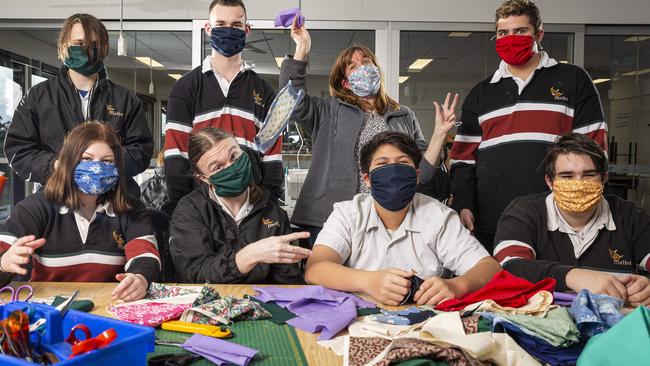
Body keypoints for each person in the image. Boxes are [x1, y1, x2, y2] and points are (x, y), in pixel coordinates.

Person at [281, 17, 458, 244]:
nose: (362, 67)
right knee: (326, 277)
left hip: (386, 216)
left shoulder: (404, 115)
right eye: (353, 66)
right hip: (328, 217)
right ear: (345, 82)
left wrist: (440, 133)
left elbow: (422, 172)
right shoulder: (328, 110)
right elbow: (290, 98)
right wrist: (302, 47)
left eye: (366, 61)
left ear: (376, 69)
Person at [450, 0, 608, 252]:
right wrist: (463, 204)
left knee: (553, 287)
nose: (510, 38)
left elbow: (594, 151)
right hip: (492, 217)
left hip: (556, 217)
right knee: (496, 289)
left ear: (539, 34)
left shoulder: (573, 79)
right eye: (503, 33)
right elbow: (462, 161)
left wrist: (582, 204)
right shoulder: (481, 93)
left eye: (520, 31)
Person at [305, 131, 501, 306]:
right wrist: (368, 281)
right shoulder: (348, 214)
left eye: (402, 163)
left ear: (416, 176)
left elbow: (490, 268)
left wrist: (457, 286)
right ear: (368, 180)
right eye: (382, 164)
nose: (393, 172)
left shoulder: (439, 217)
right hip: (354, 320)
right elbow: (315, 270)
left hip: (424, 325)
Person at [0, 122, 160, 302]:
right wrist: (4, 263)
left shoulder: (133, 210)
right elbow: (3, 252)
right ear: (67, 162)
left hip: (109, 307)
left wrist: (140, 278)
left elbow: (145, 257)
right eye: (87, 159)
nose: (96, 168)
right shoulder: (34, 208)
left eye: (107, 161)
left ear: (117, 168)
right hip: (47, 311)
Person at [494, 133, 650, 306]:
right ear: (549, 181)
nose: (578, 184)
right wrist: (572, 276)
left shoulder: (631, 217)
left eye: (589, 175)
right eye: (567, 176)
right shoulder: (523, 212)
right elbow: (509, 268)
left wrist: (646, 288)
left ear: (604, 178)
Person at [5, 13, 153, 196]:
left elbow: (142, 151)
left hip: (116, 198)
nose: (86, 50)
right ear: (64, 45)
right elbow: (18, 150)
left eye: (93, 45)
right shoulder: (38, 97)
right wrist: (58, 165)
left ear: (104, 48)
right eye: (79, 43)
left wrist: (107, 163)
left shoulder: (126, 99)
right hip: (56, 196)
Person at [163, 0, 283, 216]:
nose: (228, 30)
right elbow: (176, 156)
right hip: (200, 211)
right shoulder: (185, 88)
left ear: (247, 30)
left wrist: (268, 206)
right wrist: (183, 210)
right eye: (221, 24)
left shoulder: (264, 91)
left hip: (252, 210)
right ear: (208, 29)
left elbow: (272, 157)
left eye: (236, 25)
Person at [169, 127, 310, 284]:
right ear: (203, 178)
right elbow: (193, 274)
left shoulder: (272, 212)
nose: (232, 167)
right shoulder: (190, 211)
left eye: (234, 156)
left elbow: (287, 283)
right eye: (218, 167)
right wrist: (249, 256)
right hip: (210, 303)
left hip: (261, 302)